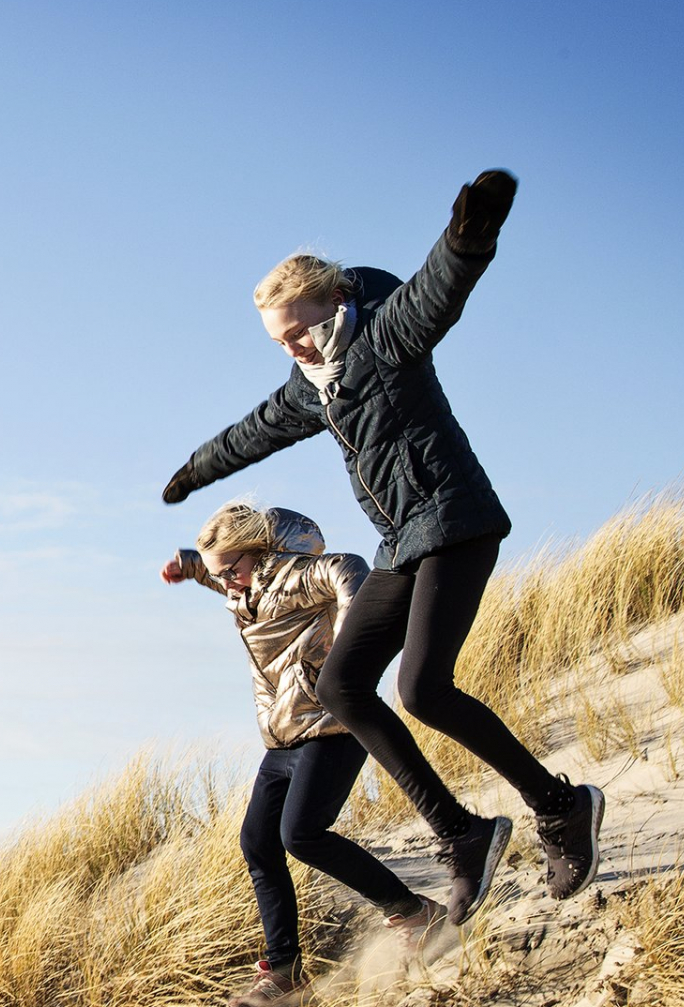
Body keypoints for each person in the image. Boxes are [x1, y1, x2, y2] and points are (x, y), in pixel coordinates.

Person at [159, 170, 603, 928]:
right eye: (279, 340)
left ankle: (559, 808)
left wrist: (470, 232)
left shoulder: (387, 333)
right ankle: (462, 833)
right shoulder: (312, 387)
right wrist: (194, 472)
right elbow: (252, 432)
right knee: (341, 686)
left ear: (334, 301)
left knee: (424, 689)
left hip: (457, 521)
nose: (293, 347)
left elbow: (439, 287)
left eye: (299, 329)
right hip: (402, 542)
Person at [164, 501, 444, 1007]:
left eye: (232, 569)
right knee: (257, 842)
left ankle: (413, 912)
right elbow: (221, 571)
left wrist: (355, 631)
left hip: (331, 727)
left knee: (302, 835)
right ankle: (285, 972)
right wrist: (190, 563)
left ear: (262, 552)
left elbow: (349, 566)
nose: (227, 582)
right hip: (283, 736)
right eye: (220, 572)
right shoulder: (245, 588)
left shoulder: (299, 575)